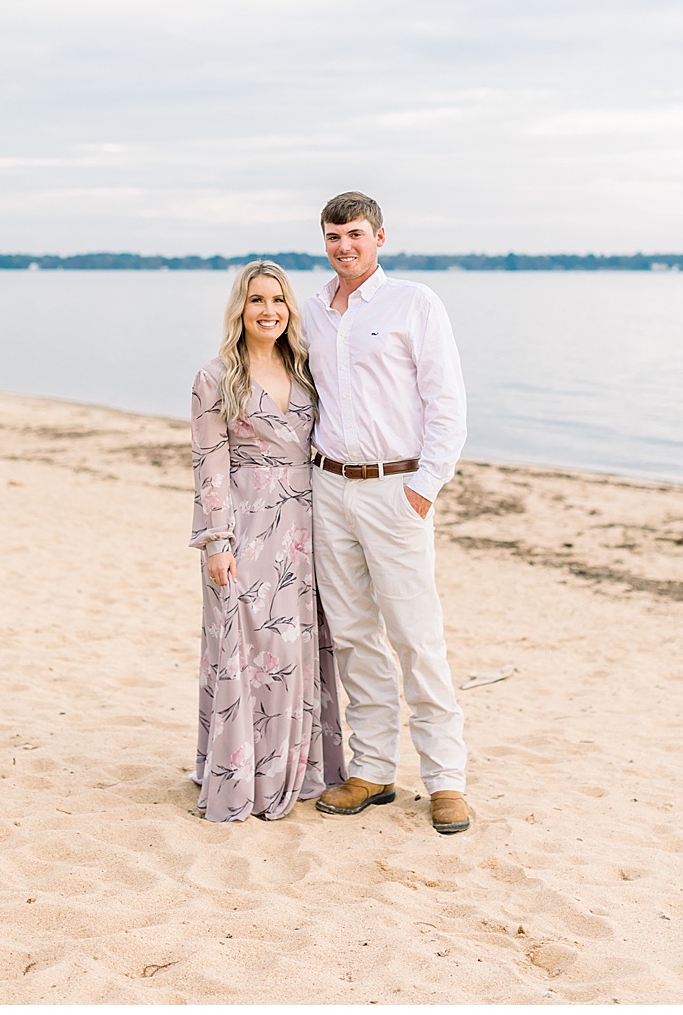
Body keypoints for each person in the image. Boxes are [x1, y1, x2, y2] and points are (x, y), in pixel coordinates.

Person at [303, 191, 473, 835]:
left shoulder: (415, 303)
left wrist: (425, 487)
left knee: (416, 635)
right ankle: (373, 770)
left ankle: (446, 782)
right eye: (332, 236)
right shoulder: (312, 310)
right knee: (351, 634)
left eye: (353, 234)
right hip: (328, 489)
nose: (343, 247)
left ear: (379, 237)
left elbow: (446, 403)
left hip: (395, 489)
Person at [189, 260, 346, 821]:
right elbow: (207, 463)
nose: (269, 311)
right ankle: (241, 773)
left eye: (278, 300)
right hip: (246, 529)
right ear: (241, 308)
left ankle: (294, 769)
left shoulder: (307, 370)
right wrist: (216, 542)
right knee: (251, 648)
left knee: (298, 652)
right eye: (257, 300)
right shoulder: (216, 377)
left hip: (308, 527)